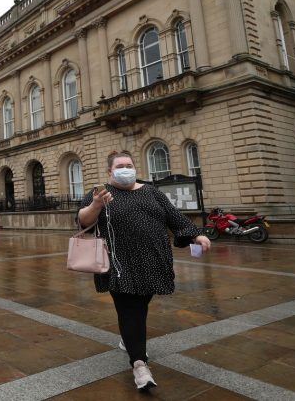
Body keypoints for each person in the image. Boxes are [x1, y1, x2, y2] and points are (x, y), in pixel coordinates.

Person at [76, 150, 211, 391]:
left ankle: (129, 339)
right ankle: (140, 364)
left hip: (153, 262)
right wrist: (96, 204)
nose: (126, 168)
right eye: (120, 165)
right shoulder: (101, 193)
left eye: (129, 164)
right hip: (119, 263)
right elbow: (83, 220)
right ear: (110, 171)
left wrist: (197, 234)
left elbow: (174, 217)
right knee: (130, 310)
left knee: (140, 305)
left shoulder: (152, 192)